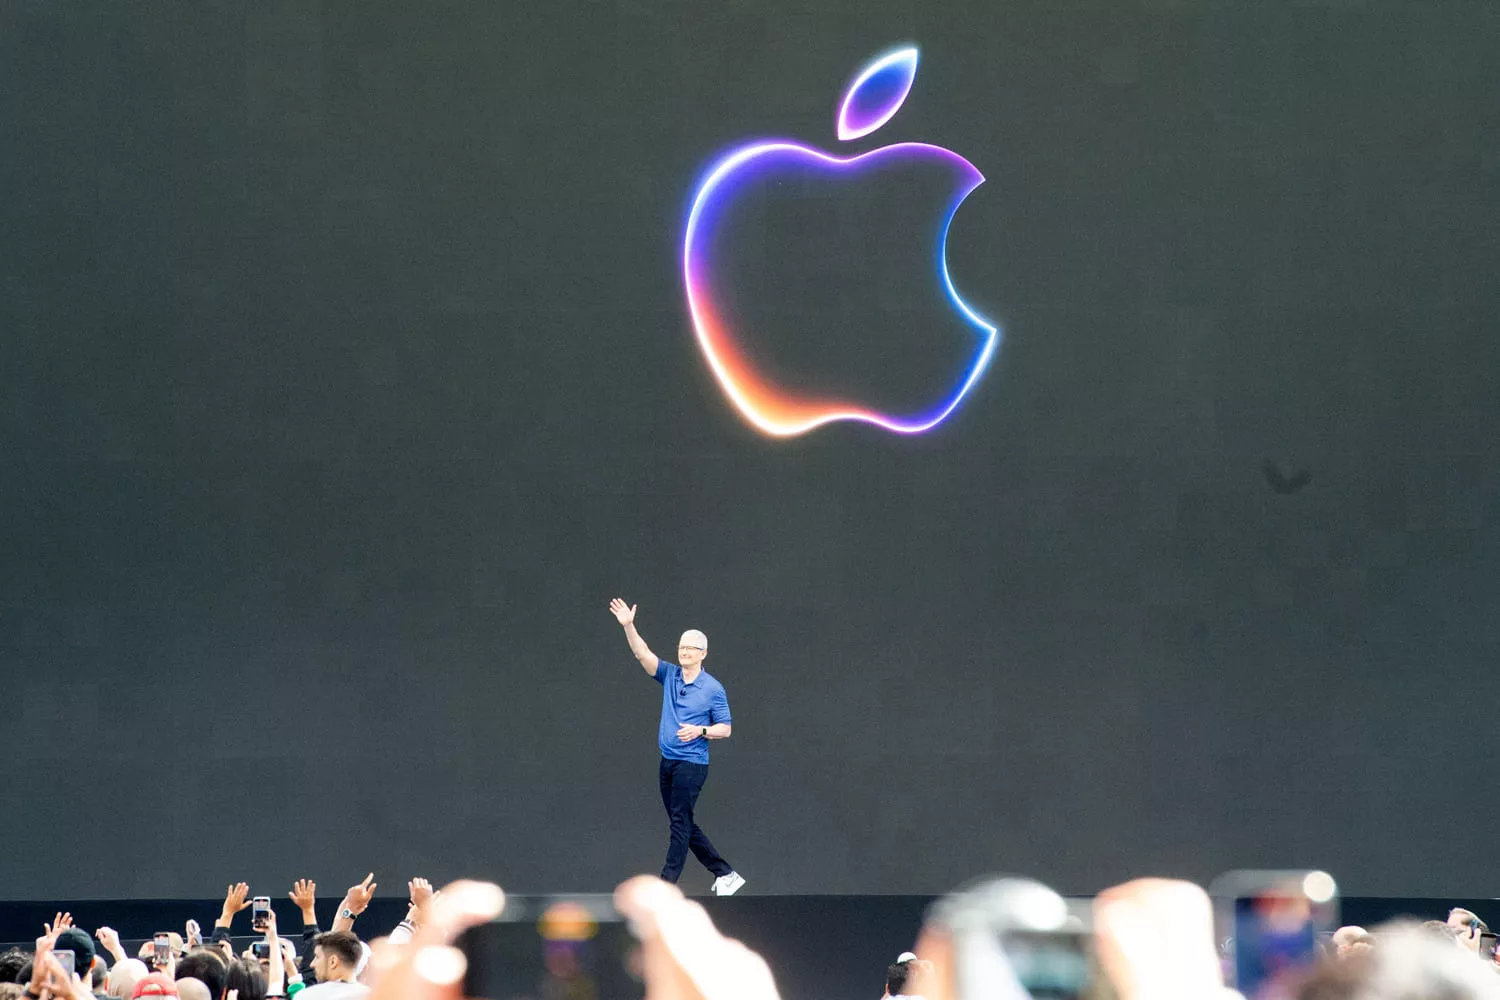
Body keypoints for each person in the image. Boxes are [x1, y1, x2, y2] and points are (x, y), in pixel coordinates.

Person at [609, 597, 745, 894]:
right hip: (668, 761)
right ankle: (725, 874)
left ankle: (665, 888)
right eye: (681, 648)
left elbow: (726, 729)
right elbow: (642, 653)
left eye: (691, 649)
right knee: (681, 822)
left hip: (692, 764)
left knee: (679, 824)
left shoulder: (712, 688)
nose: (684, 652)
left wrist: (702, 730)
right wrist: (629, 626)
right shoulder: (670, 675)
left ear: (703, 654)